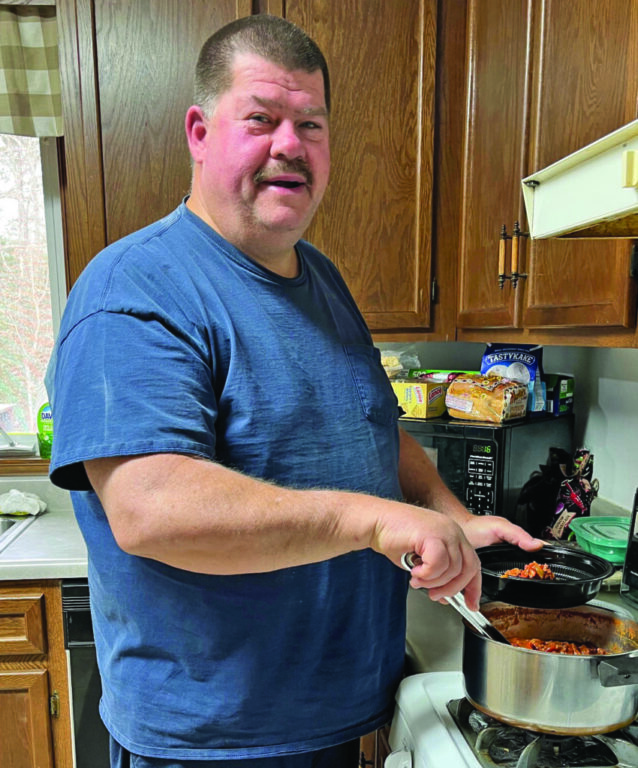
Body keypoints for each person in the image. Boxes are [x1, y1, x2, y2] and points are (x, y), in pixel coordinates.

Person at [46, 14, 542, 768]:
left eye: (310, 123)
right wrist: (375, 522)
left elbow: (376, 427)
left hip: (346, 712)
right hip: (215, 742)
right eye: (261, 119)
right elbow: (152, 510)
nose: (290, 144)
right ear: (199, 132)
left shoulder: (323, 279)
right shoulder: (136, 287)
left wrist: (450, 516)